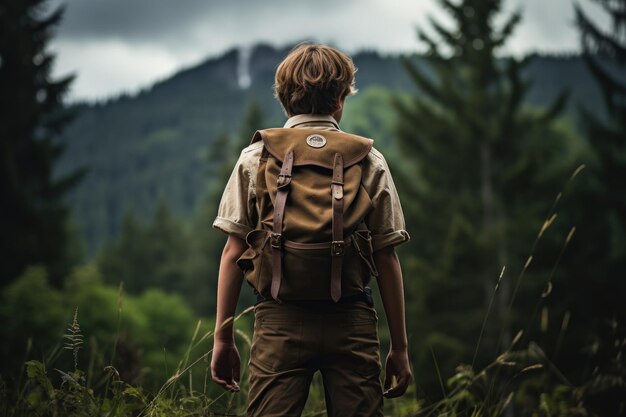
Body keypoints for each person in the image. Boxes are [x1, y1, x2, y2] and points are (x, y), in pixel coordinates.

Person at [211, 42, 412, 417]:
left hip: (279, 319)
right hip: (351, 319)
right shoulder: (369, 159)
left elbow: (232, 252)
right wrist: (399, 348)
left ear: (284, 99)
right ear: (340, 99)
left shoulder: (256, 157)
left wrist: (222, 338)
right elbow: (387, 258)